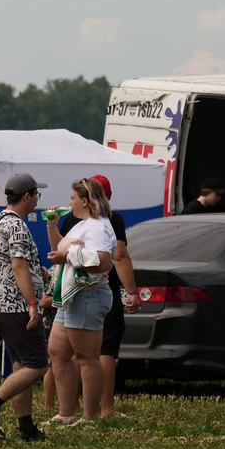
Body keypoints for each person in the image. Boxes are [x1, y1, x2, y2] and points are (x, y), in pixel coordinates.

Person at [0, 170, 49, 442]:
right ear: (27, 196)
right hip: (16, 307)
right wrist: (33, 303)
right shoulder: (16, 226)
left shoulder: (0, 221)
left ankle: (26, 428)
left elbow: (14, 262)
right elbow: (17, 265)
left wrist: (40, 273)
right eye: (36, 194)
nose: (38, 199)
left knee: (21, 367)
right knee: (37, 365)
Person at [44, 177, 119, 426]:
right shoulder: (82, 224)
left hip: (88, 294)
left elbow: (102, 261)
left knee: (87, 357)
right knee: (57, 351)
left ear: (85, 201)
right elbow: (60, 251)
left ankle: (90, 417)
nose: (70, 202)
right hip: (72, 295)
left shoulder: (98, 226)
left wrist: (68, 256)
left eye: (73, 198)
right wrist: (52, 227)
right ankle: (66, 413)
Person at [85, 171, 138, 419]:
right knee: (105, 350)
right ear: (109, 196)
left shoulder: (73, 218)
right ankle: (106, 408)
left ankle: (68, 407)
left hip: (74, 291)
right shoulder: (112, 220)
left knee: (78, 352)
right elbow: (119, 256)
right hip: (104, 291)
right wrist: (132, 292)